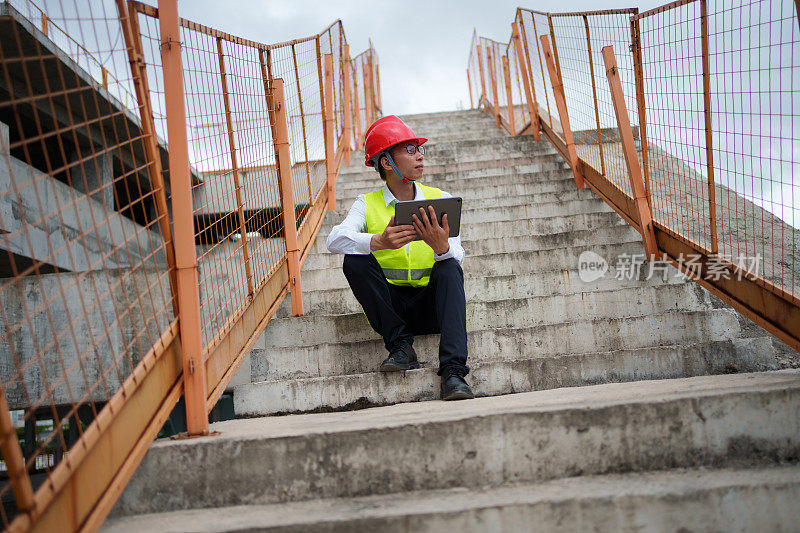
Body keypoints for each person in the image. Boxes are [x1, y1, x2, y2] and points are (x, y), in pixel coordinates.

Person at [326, 115, 473, 401]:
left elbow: (458, 254)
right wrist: (377, 241)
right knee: (354, 259)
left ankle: (454, 373)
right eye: (409, 149)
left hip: (431, 309)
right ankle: (401, 347)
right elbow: (334, 240)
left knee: (450, 267)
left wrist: (442, 249)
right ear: (385, 162)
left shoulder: (439, 198)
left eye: (419, 150)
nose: (419, 156)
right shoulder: (366, 203)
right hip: (391, 313)